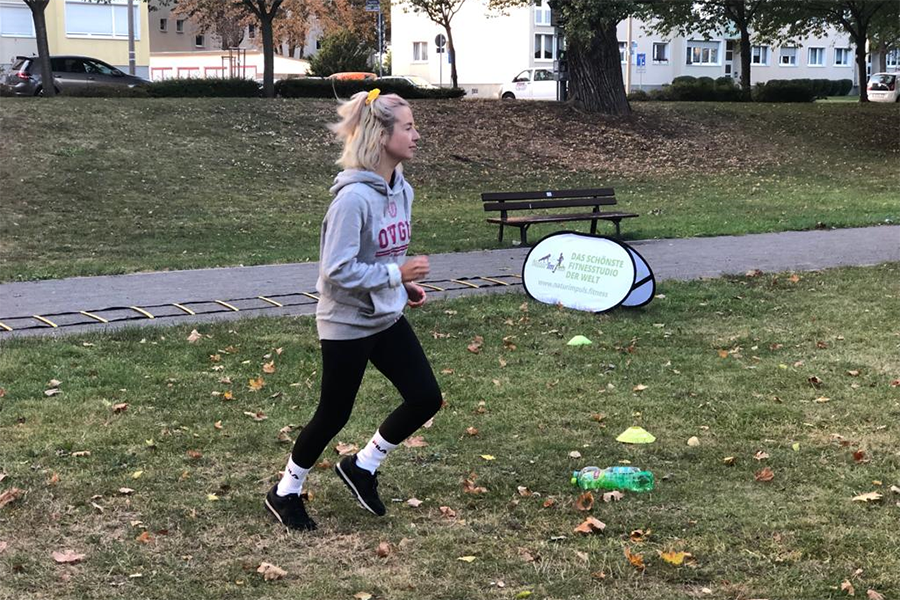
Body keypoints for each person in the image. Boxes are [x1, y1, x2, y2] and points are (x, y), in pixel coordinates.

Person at [264, 89, 442, 531]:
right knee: (333, 413)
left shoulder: (402, 191)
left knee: (424, 397)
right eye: (408, 127)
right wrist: (395, 276)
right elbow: (337, 270)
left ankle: (362, 467)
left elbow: (380, 260)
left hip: (385, 316)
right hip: (345, 321)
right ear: (382, 136)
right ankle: (284, 491)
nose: (417, 135)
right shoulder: (352, 200)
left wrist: (402, 288)